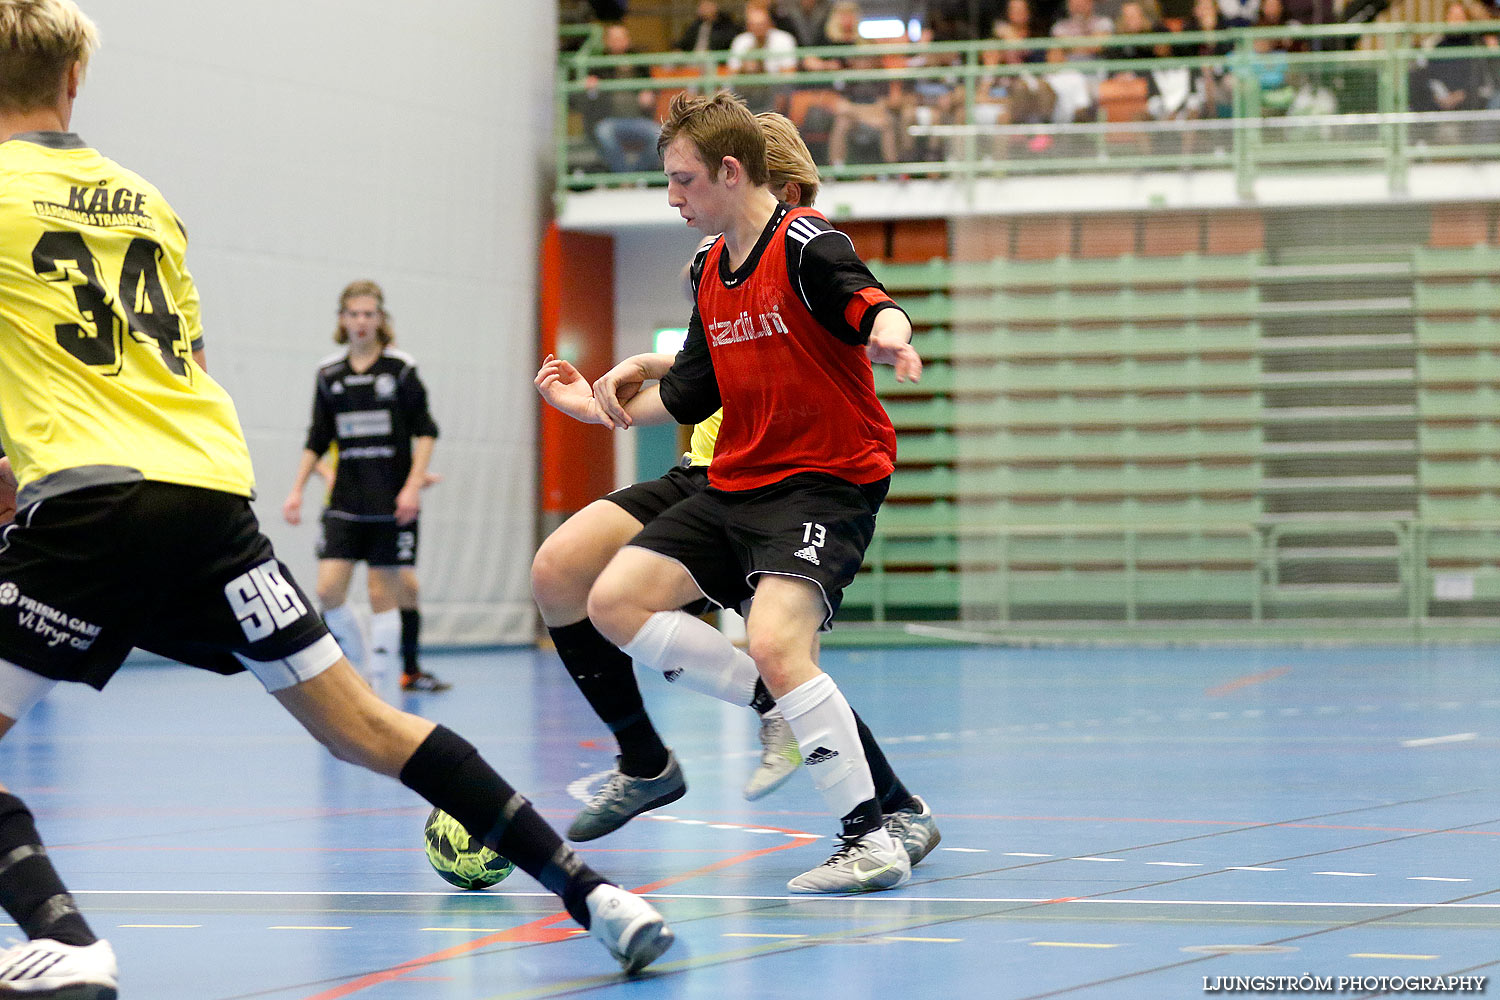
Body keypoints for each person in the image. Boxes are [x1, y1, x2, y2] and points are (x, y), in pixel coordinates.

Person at [0, 3, 672, 994]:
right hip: (210, 501)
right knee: (366, 726)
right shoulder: (146, 201)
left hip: (92, 502)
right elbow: (185, 362)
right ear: (73, 84)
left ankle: (71, 941)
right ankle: (598, 896)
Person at [534, 115, 940, 871]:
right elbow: (693, 388)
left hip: (822, 479)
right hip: (736, 480)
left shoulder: (805, 242)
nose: (670, 199)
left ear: (729, 173)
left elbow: (866, 299)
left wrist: (891, 332)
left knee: (778, 642)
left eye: (680, 180)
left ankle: (873, 834)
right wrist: (601, 399)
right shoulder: (709, 269)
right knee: (610, 599)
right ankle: (720, 731)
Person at [282, 281, 444, 700]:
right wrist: (296, 489)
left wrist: (411, 487)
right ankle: (358, 669)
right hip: (345, 501)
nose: (361, 321)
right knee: (327, 590)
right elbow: (317, 437)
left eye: (369, 314)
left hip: (391, 501)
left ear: (380, 320)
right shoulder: (328, 374)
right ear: (342, 319)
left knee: (382, 591)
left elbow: (426, 431)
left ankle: (380, 685)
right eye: (353, 314)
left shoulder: (400, 370)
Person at [312, 447, 449, 692]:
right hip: (343, 508)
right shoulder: (336, 417)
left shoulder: (394, 422)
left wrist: (414, 481)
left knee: (406, 587)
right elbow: (313, 454)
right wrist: (329, 474)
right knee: (330, 589)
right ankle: (338, 671)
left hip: (387, 508)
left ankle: (410, 672)